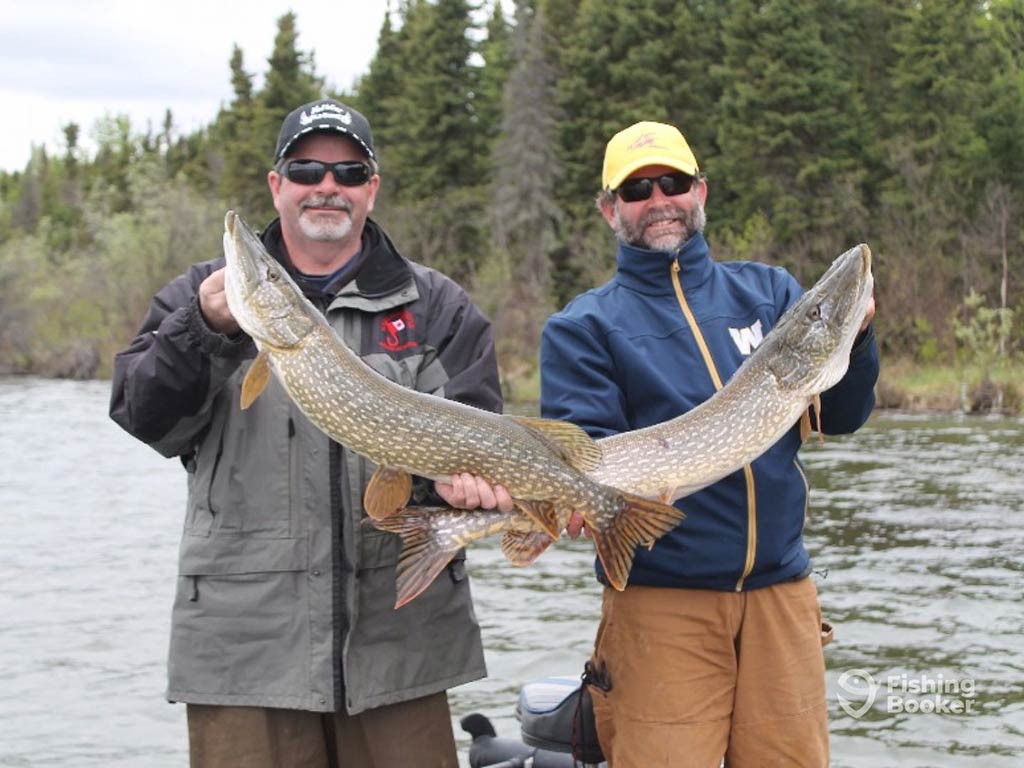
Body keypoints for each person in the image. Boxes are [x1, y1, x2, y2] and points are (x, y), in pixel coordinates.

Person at [110, 98, 509, 768]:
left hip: (398, 643)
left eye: (349, 171)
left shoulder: (435, 304)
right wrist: (201, 330)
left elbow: (476, 439)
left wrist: (458, 490)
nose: (328, 185)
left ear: (371, 188)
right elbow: (143, 417)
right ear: (278, 184)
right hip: (247, 646)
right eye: (307, 168)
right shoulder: (202, 298)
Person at [539, 121, 880, 767]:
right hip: (661, 605)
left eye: (672, 182)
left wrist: (855, 337)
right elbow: (587, 454)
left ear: (700, 191)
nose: (658, 198)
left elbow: (842, 416)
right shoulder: (583, 326)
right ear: (610, 209)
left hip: (782, 597)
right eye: (637, 189)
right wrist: (576, 505)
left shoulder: (772, 292)